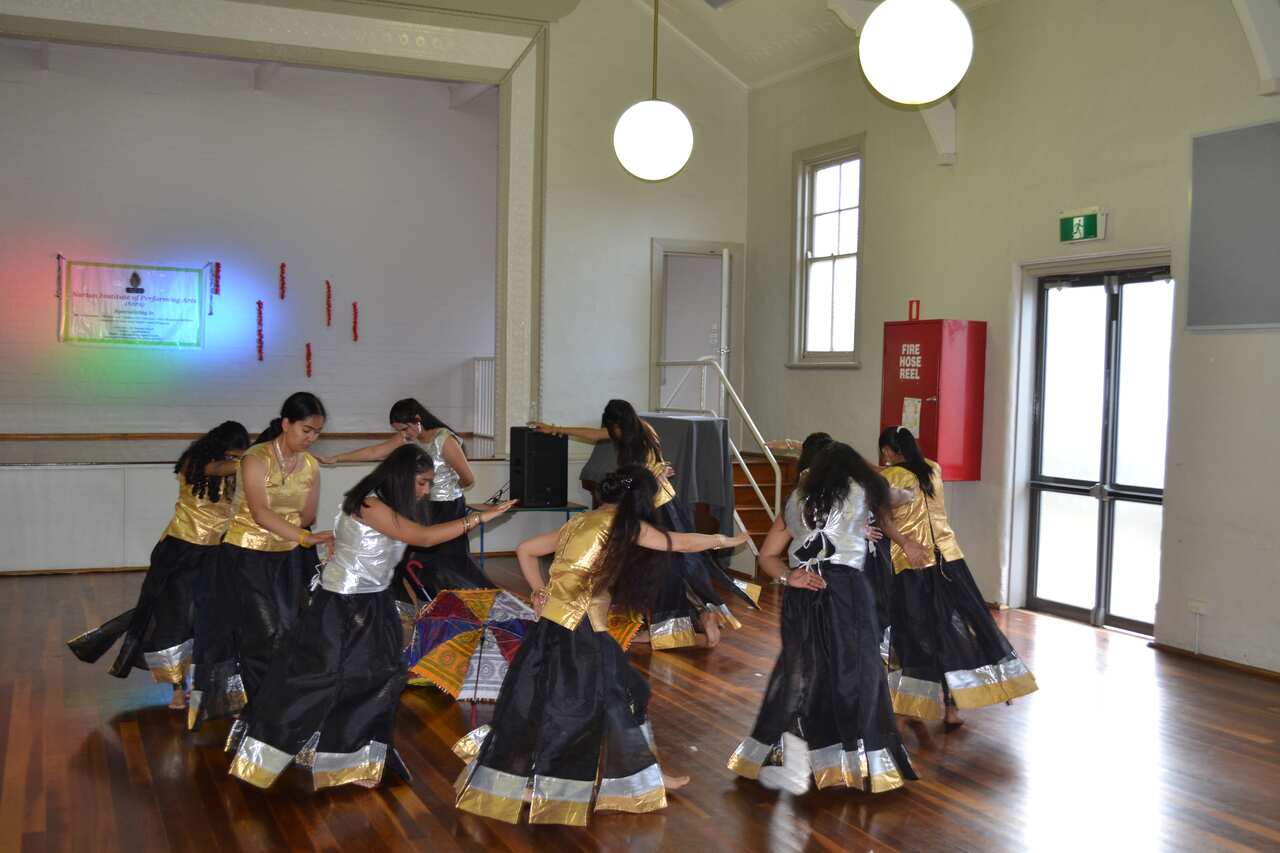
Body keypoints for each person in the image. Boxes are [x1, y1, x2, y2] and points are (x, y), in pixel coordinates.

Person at [453, 466, 750, 826]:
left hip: (559, 628)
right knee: (577, 709)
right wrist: (723, 540)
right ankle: (532, 784)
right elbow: (680, 542)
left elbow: (525, 549)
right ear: (637, 500)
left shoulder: (582, 521)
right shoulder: (624, 526)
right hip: (578, 633)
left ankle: (643, 775)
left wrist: (537, 589)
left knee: (618, 694)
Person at [227, 445, 515, 790]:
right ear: (403, 476)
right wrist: (480, 518)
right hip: (342, 604)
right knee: (319, 678)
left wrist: (478, 510)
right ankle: (268, 750)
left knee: (383, 676)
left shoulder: (391, 504)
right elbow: (422, 538)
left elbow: (425, 529)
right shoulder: (370, 504)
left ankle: (353, 759)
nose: (425, 490)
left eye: (428, 484)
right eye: (422, 482)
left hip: (372, 601)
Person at [729, 442, 924, 794]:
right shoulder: (863, 490)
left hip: (802, 594)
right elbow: (899, 497)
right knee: (859, 672)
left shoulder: (795, 502)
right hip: (845, 593)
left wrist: (792, 576)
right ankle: (859, 761)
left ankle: (774, 753)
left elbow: (767, 558)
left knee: (799, 672)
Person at [531, 399, 755, 649]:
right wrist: (556, 429)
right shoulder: (638, 429)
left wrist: (656, 478)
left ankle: (687, 623)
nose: (610, 434)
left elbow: (651, 473)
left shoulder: (642, 435)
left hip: (657, 509)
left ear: (618, 424)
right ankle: (697, 617)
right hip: (650, 506)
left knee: (670, 567)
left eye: (611, 428)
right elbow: (595, 435)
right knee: (669, 568)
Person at [68, 421, 249, 710]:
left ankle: (213, 686)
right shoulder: (196, 463)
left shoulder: (235, 472)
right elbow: (217, 469)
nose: (236, 460)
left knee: (209, 621)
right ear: (221, 449)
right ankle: (177, 688)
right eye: (233, 455)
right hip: (179, 552)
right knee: (173, 618)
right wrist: (252, 459)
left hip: (215, 555)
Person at [189, 392, 334, 729]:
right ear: (286, 424)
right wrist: (302, 535)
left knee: (287, 630)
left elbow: (308, 514)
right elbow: (259, 511)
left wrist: (306, 534)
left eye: (317, 432)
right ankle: (262, 712)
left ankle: (270, 705)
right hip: (244, 556)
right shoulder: (256, 458)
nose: (312, 438)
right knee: (262, 634)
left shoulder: (311, 466)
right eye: (306, 430)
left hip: (284, 560)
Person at [878, 426, 1038, 727]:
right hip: (949, 559)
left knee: (916, 633)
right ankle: (963, 701)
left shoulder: (891, 478)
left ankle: (917, 702)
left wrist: (905, 543)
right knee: (959, 627)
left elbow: (885, 519)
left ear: (887, 451)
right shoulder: (934, 470)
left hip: (913, 564)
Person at [319, 398, 487, 598]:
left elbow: (468, 479)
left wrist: (442, 489)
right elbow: (375, 451)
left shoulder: (444, 439)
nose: (404, 434)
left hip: (447, 508)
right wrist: (337, 458)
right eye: (399, 431)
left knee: (448, 564)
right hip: (420, 506)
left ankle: (467, 602)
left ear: (417, 420)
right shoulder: (409, 438)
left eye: (405, 428)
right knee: (406, 559)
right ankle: (412, 604)